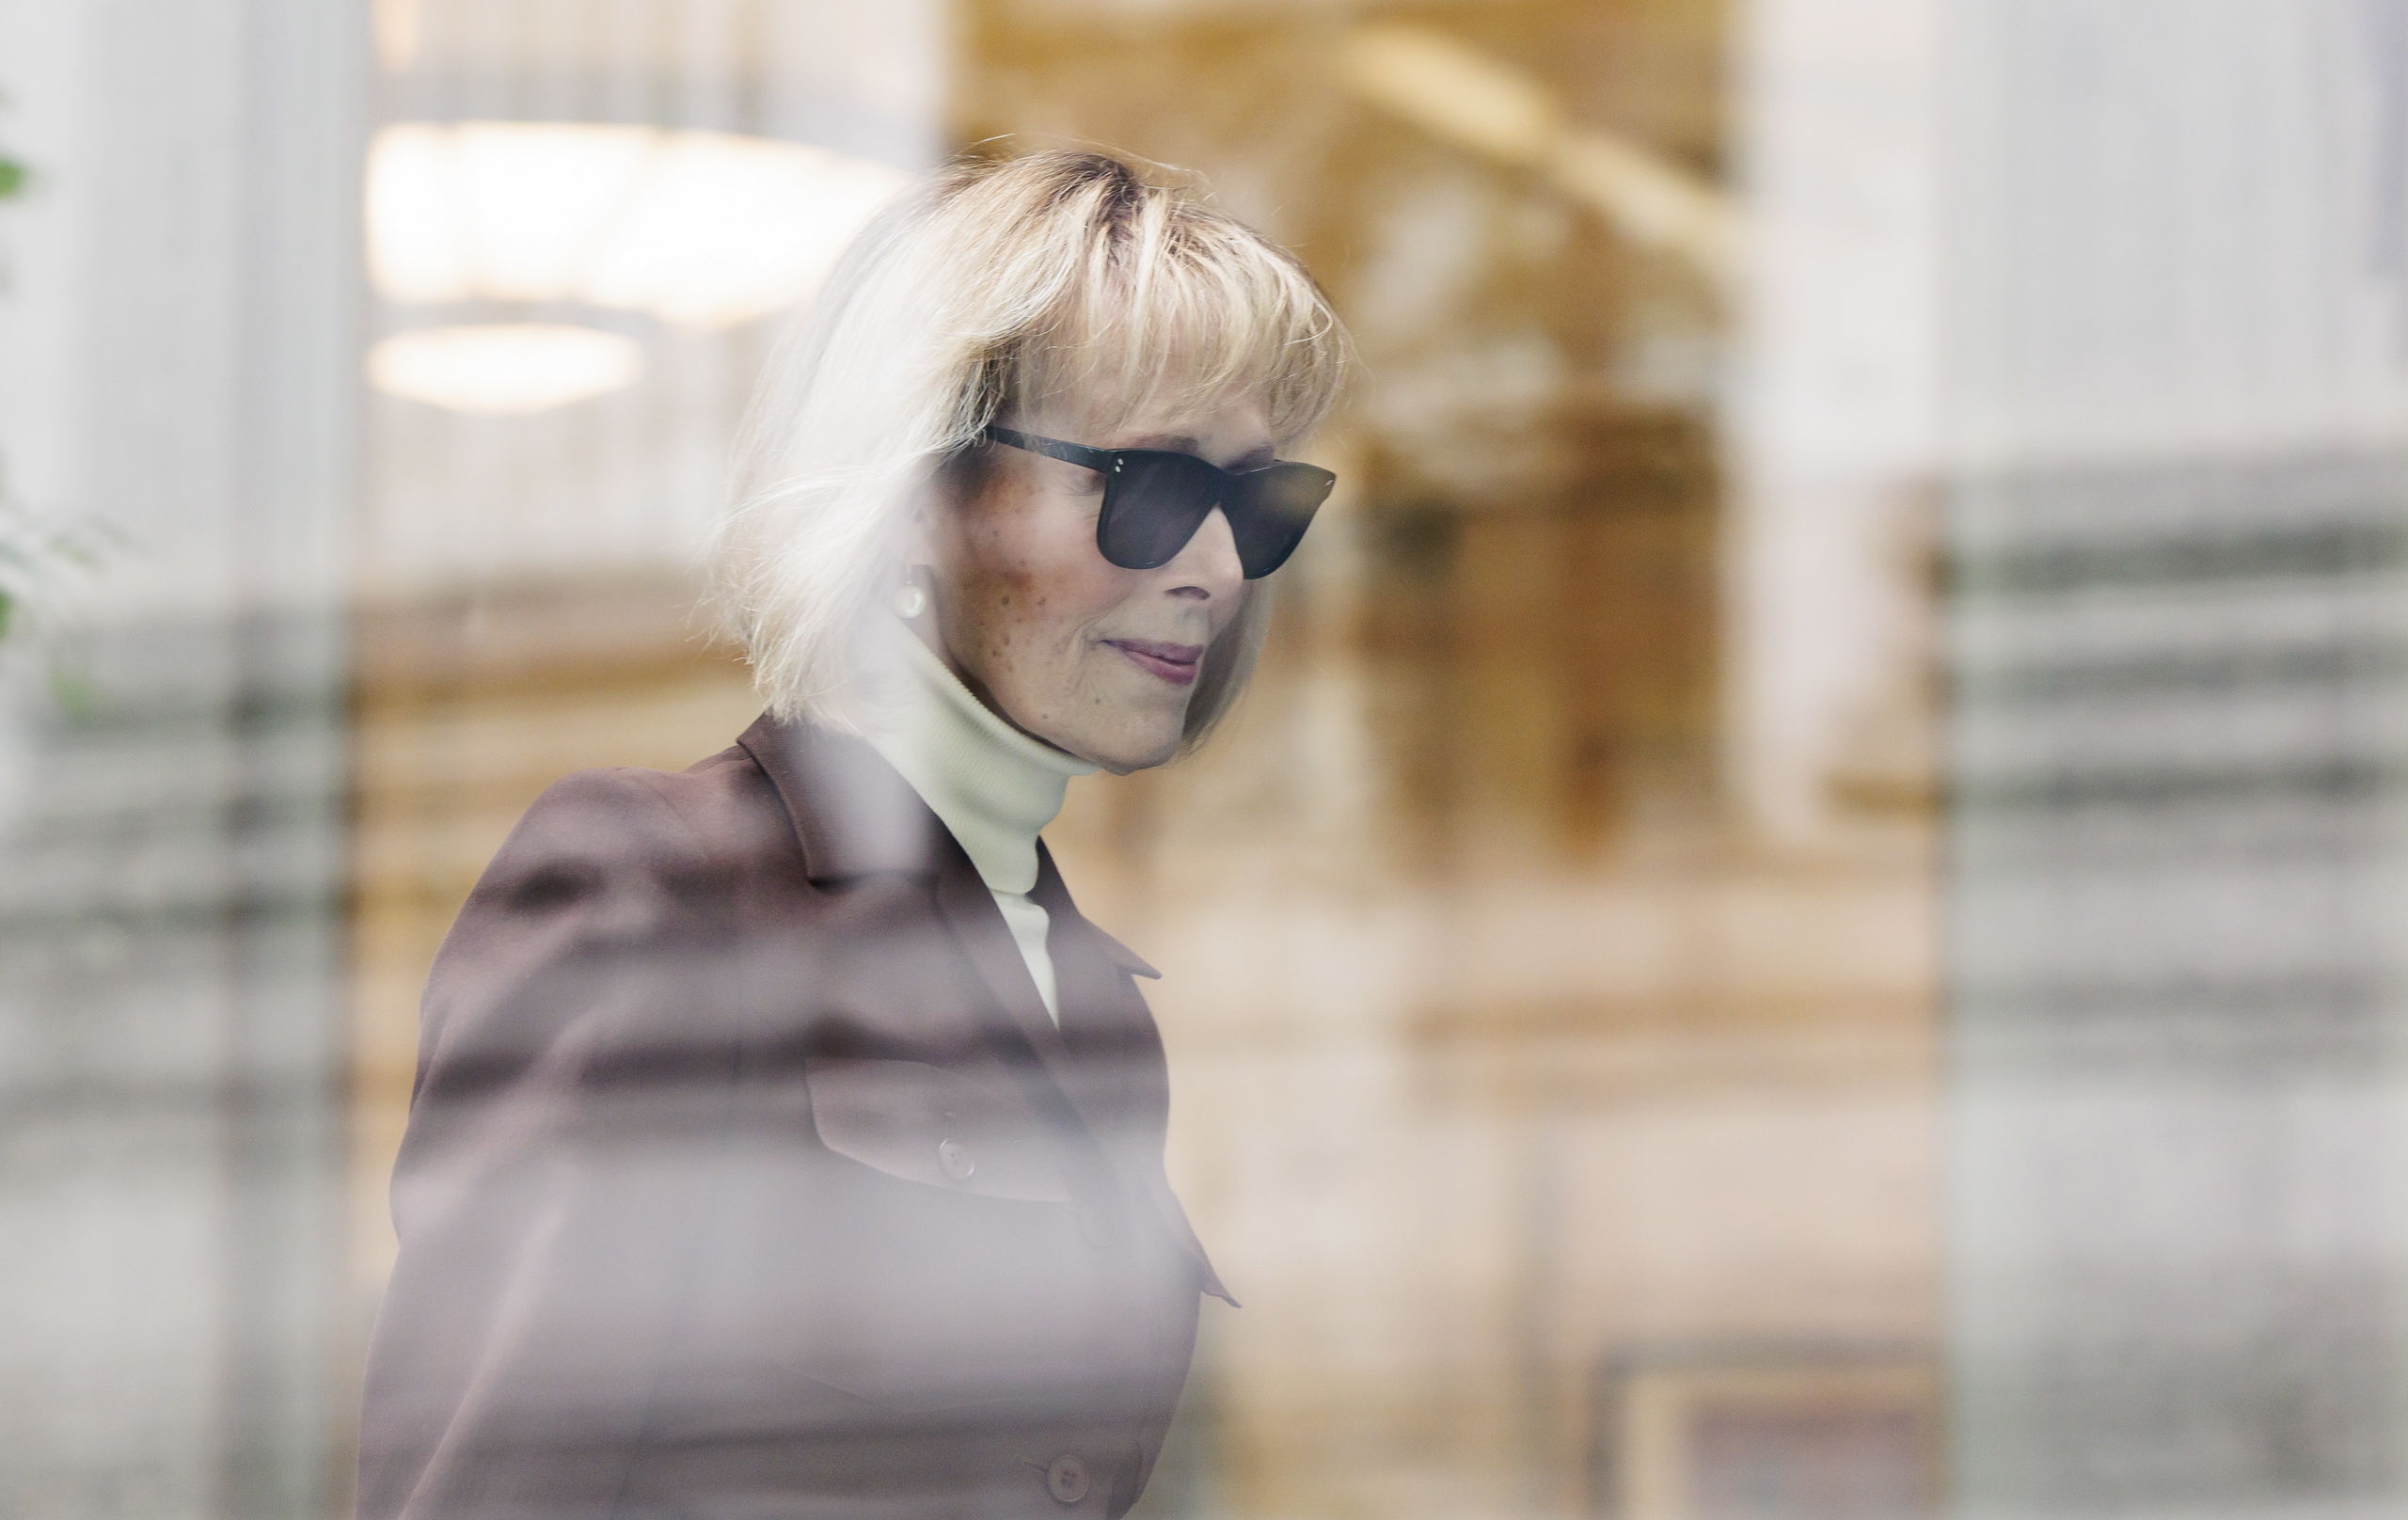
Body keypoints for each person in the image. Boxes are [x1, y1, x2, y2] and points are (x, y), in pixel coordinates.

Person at [355, 149, 1350, 1519]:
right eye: (1152, 489)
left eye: (1255, 503)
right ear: (924, 492)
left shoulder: (1088, 997)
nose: (1220, 569)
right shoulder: (659, 888)